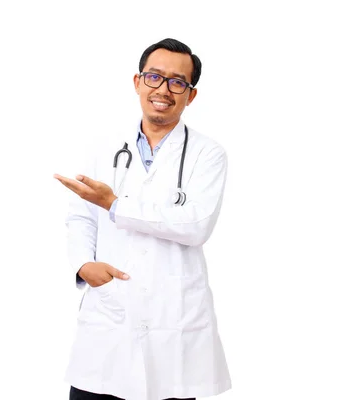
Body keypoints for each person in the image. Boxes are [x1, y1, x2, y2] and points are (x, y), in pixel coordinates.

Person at [54, 38, 231, 400]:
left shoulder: (207, 154)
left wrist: (116, 205)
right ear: (137, 82)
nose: (163, 89)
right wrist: (84, 264)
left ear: (190, 95)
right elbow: (80, 216)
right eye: (154, 77)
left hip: (174, 320)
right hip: (109, 318)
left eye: (177, 82)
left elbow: (196, 225)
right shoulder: (103, 147)